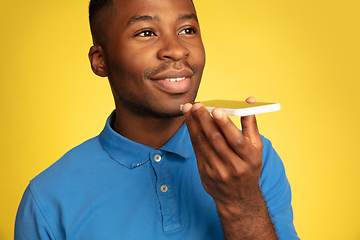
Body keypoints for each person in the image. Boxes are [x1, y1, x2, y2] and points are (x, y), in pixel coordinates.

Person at [15, 0, 299, 239]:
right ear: (100, 60)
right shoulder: (48, 198)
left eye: (187, 30)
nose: (176, 50)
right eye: (146, 32)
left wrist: (242, 203)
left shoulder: (250, 159)